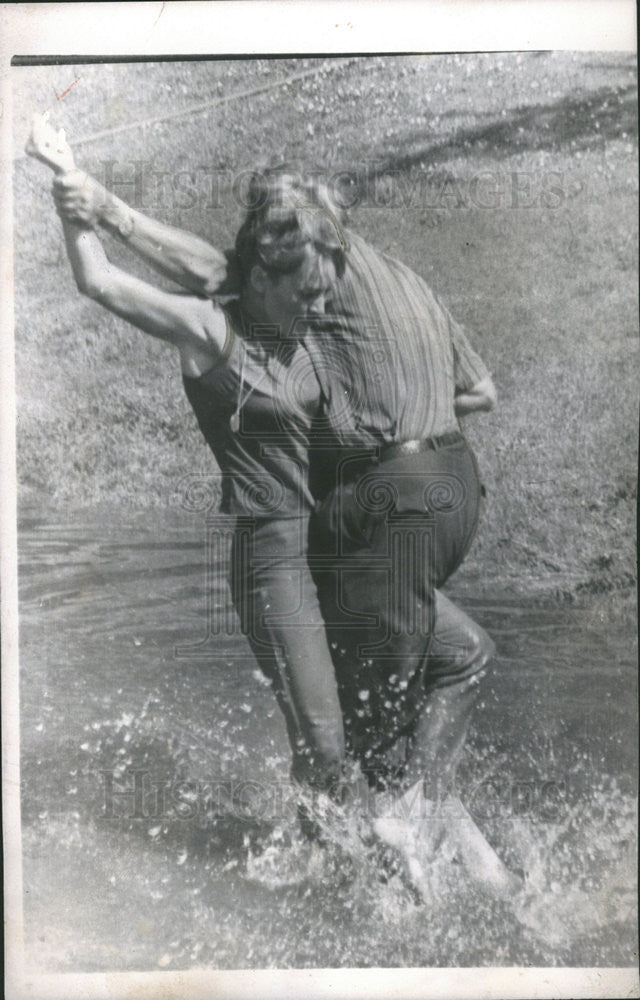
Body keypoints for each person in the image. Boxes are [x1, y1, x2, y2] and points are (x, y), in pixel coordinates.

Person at [41, 125, 520, 895]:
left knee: (463, 655)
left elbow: (238, 278)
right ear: (263, 276)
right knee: (327, 747)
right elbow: (101, 283)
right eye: (306, 293)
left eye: (325, 293)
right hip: (273, 561)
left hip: (329, 547)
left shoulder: (300, 343)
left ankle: (415, 825)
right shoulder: (211, 331)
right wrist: (79, 203)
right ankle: (318, 884)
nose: (320, 305)